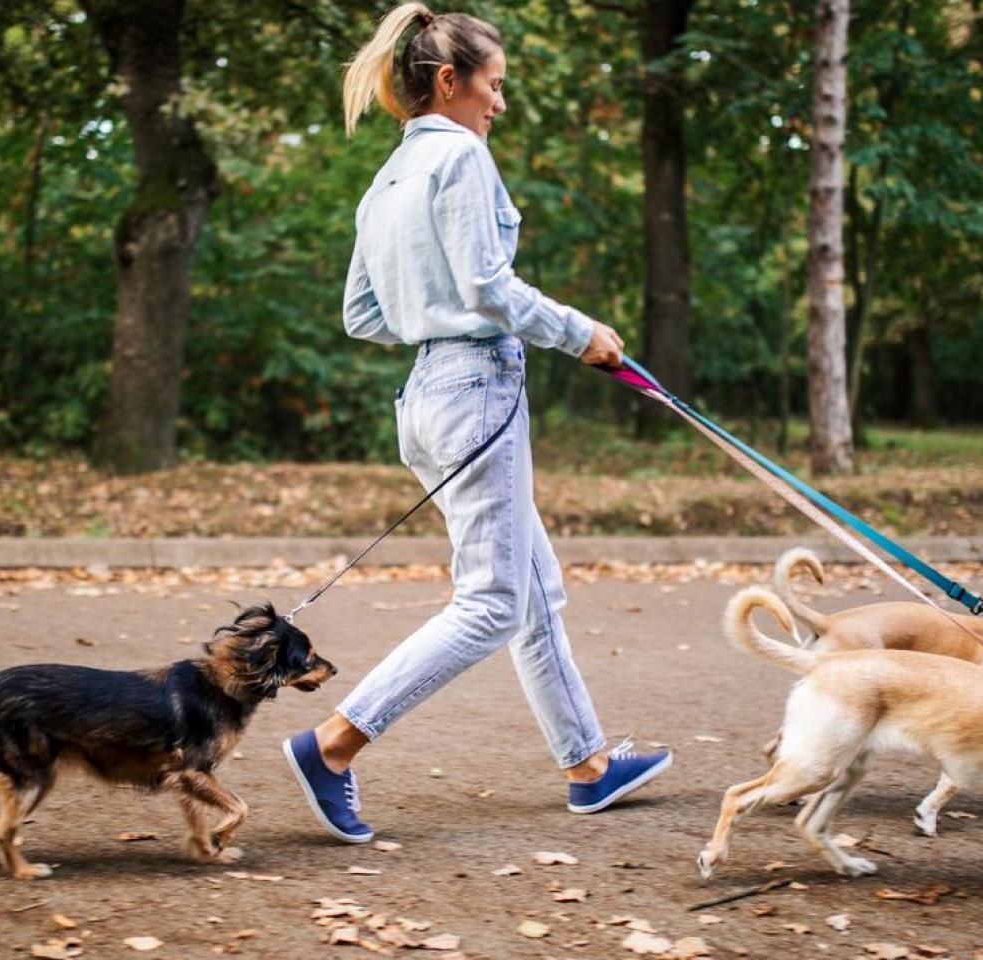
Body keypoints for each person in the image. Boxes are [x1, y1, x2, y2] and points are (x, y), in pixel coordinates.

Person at [281, 3, 671, 843]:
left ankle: (589, 766)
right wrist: (583, 334)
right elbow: (491, 288)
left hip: (425, 397)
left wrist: (431, 316)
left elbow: (360, 314)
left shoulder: (386, 179)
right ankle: (334, 744)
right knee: (494, 600)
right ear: (451, 82)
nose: (500, 104)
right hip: (476, 389)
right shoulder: (461, 157)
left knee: (533, 589)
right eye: (493, 86)